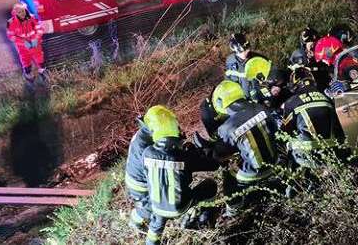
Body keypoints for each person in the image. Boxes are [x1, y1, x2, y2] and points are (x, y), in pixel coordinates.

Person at [141, 106, 219, 245]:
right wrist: (196, 150)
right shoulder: (183, 156)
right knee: (210, 185)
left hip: (157, 206)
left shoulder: (147, 153)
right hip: (179, 206)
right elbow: (213, 165)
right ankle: (204, 221)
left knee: (156, 227)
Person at [210, 80, 280, 217]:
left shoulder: (225, 128)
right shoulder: (260, 107)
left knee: (228, 175)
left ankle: (234, 209)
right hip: (276, 162)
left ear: (220, 103)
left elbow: (221, 154)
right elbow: (274, 129)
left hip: (253, 173)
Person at [280, 67, 346, 169]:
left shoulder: (291, 102)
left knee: (288, 143)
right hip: (333, 151)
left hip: (310, 155)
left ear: (294, 85)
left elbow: (285, 131)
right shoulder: (325, 97)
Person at [124, 117, 154, 233]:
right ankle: (135, 221)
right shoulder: (146, 146)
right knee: (149, 208)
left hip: (135, 176)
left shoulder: (143, 134)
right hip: (138, 183)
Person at [6, 2, 46, 84]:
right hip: (22, 47)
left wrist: (36, 38)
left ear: (25, 10)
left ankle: (43, 72)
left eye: (23, 11)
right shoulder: (11, 22)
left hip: (35, 44)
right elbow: (11, 36)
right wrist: (23, 42)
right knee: (25, 60)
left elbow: (39, 29)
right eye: (19, 12)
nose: (22, 13)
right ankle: (28, 74)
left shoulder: (32, 18)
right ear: (15, 13)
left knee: (39, 57)